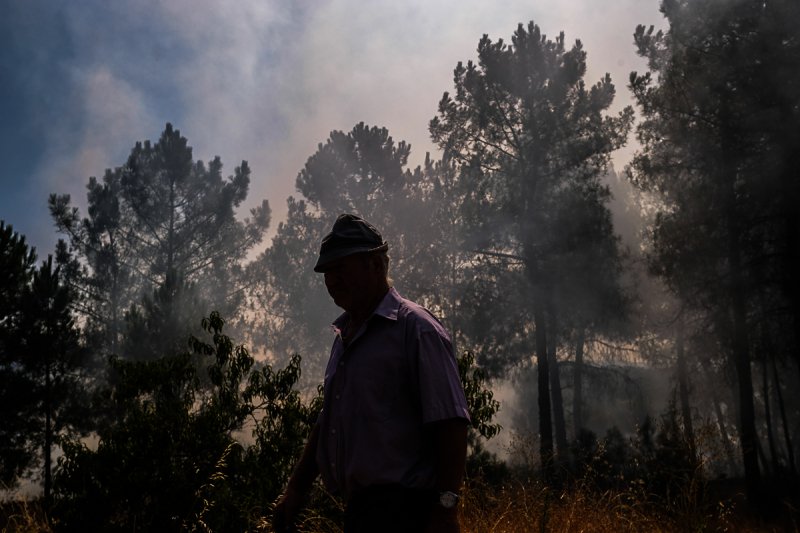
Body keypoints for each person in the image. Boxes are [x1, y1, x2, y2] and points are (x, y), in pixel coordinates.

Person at [273, 213, 470, 533]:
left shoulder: (416, 329)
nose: (332, 281)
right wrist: (296, 489)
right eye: (327, 272)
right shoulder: (345, 337)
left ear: (376, 265)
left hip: (410, 513)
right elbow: (329, 419)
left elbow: (451, 422)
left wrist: (446, 508)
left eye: (341, 268)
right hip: (362, 512)